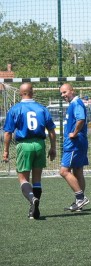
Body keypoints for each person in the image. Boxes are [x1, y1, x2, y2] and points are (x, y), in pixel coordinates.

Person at [2, 82, 57, 219]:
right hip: (39, 144)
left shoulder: (15, 109)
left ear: (21, 93)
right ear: (33, 92)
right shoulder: (42, 108)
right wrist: (53, 147)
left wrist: (6, 151)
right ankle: (34, 210)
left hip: (24, 145)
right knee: (37, 179)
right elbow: (51, 130)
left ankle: (32, 199)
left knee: (23, 179)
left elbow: (8, 133)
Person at [59, 83, 90, 211]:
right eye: (61, 93)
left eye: (65, 92)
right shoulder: (74, 104)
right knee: (78, 171)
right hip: (79, 141)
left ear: (72, 91)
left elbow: (81, 119)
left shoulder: (76, 103)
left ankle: (81, 197)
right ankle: (79, 203)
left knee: (64, 171)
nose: (63, 95)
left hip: (74, 142)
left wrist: (74, 133)